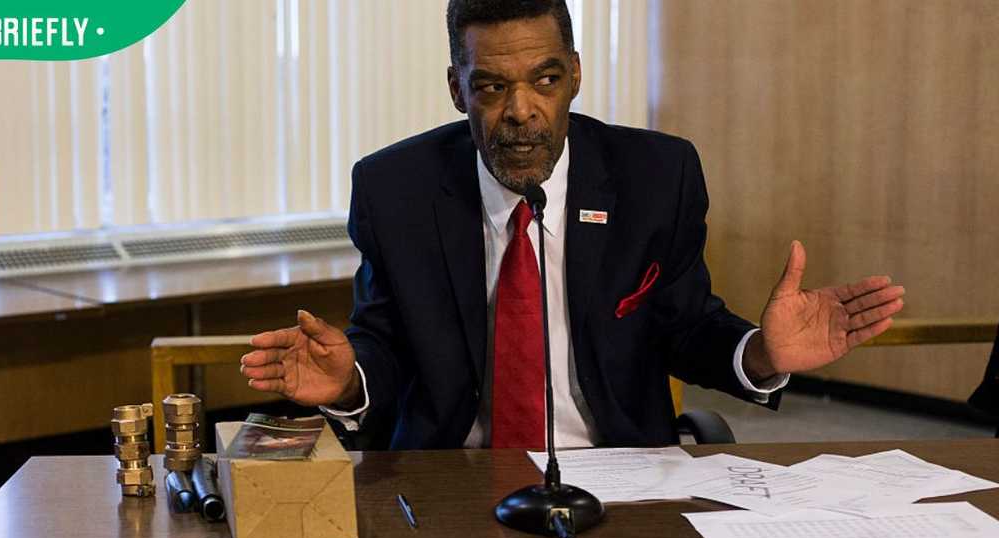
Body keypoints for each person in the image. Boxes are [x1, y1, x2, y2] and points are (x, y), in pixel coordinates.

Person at [240, 0, 905, 450]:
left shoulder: (655, 176)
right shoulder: (395, 189)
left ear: (576, 75)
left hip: (617, 476)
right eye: (491, 86)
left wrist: (761, 354)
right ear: (457, 88)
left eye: (545, 79)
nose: (521, 111)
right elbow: (384, 340)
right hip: (452, 478)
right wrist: (349, 380)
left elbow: (685, 326)